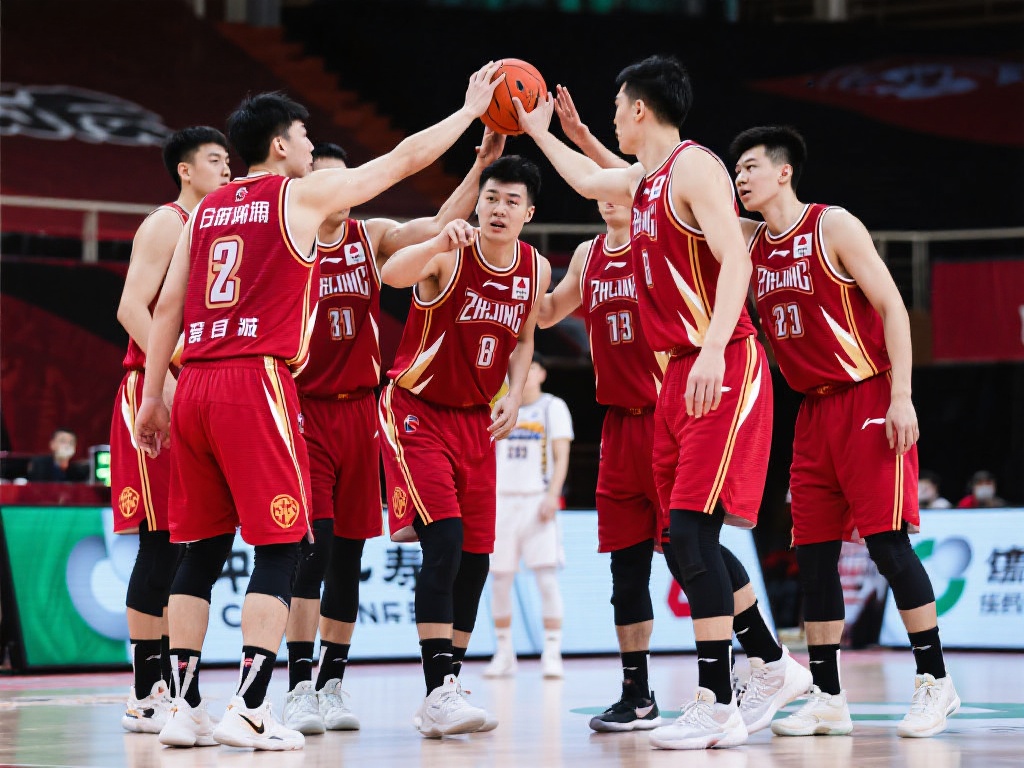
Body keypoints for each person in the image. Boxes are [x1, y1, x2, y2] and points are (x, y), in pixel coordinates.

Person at [134, 66, 504, 752]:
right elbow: (401, 159)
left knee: (202, 552)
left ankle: (184, 708)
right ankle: (249, 706)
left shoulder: (207, 209)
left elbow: (166, 309)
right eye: (303, 135)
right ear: (281, 145)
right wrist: (467, 110)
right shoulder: (297, 197)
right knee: (283, 547)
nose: (310, 146)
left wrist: (155, 394)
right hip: (255, 381)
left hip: (194, 385)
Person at [517, 60, 809, 750]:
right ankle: (770, 665)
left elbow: (735, 259)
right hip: (675, 374)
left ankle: (717, 698)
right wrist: (539, 130)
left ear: (639, 109)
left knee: (691, 534)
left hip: (722, 360)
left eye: (617, 106)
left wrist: (712, 348)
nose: (613, 116)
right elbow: (589, 179)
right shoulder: (644, 183)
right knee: (685, 540)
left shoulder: (694, 168)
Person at [731, 124, 960, 738]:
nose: (740, 177)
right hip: (811, 411)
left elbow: (893, 307)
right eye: (735, 169)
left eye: (750, 166)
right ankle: (828, 696)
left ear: (784, 171)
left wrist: (904, 396)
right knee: (813, 558)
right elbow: (658, 187)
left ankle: (936, 683)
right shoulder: (749, 246)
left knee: (887, 544)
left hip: (868, 394)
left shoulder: (833, 226)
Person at [282, 131, 505, 735]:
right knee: (313, 550)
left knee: (350, 555)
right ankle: (298, 685)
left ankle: (331, 682)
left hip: (362, 411)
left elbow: (437, 223)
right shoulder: (288, 244)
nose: (346, 192)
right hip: (302, 407)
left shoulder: (370, 235)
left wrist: (479, 166)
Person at [378, 154, 551, 738]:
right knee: (445, 543)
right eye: (491, 197)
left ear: (529, 212)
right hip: (416, 411)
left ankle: (447, 686)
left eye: (511, 201)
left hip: (477, 422)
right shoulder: (452, 251)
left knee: (476, 561)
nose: (498, 209)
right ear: (478, 202)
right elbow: (392, 275)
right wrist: (432, 245)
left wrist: (514, 392)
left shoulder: (536, 268)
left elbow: (524, 335)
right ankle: (437, 692)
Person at [111, 126, 231, 735]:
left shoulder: (221, 224)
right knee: (158, 541)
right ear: (185, 170)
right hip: (154, 387)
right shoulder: (166, 222)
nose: (227, 170)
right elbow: (132, 307)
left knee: (191, 540)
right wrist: (178, 370)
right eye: (215, 161)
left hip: (195, 389)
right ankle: (143, 689)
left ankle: (175, 684)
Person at [484, 353, 573, 679]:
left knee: (546, 579)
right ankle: (504, 653)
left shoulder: (553, 407)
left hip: (538, 500)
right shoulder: (499, 403)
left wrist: (553, 495)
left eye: (531, 367)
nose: (525, 372)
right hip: (501, 502)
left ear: (541, 373)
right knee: (500, 580)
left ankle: (552, 652)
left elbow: (562, 456)